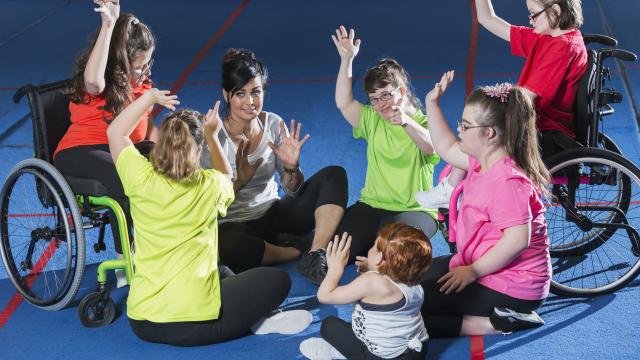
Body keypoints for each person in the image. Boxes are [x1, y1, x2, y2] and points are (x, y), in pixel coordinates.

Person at [108, 88, 310, 346]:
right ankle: (254, 321)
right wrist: (213, 136)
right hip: (196, 323)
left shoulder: (140, 177)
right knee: (277, 280)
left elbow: (115, 132)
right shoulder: (209, 184)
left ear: (161, 144)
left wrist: (148, 99)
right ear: (197, 149)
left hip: (143, 321)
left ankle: (253, 319)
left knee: (223, 271)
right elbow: (227, 176)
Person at [418, 0, 587, 209]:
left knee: (477, 126)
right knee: (477, 119)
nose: (530, 19)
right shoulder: (547, 37)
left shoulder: (562, 48)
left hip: (543, 132)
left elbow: (525, 98)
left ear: (555, 11)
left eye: (533, 13)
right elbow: (488, 20)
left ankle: (452, 189)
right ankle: (452, 188)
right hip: (533, 121)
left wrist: (485, 111)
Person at [420, 71, 551, 337]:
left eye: (465, 126)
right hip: (477, 263)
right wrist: (431, 104)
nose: (460, 130)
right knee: (406, 283)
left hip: (513, 286)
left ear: (489, 133)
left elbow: (517, 240)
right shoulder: (481, 161)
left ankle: (493, 323)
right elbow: (445, 147)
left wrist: (472, 271)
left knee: (406, 310)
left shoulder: (506, 181)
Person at [201, 49, 348, 285]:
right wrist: (239, 183)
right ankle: (295, 250)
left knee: (334, 175)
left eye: (256, 92)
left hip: (272, 212)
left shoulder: (273, 123)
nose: (250, 102)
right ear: (226, 95)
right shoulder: (211, 135)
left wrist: (291, 167)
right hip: (234, 225)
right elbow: (205, 204)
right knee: (225, 245)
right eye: (241, 93)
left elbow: (292, 189)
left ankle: (314, 252)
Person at [54, 1, 158, 267]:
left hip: (122, 150)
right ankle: (127, 260)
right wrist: (109, 24)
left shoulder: (143, 87)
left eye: (148, 64)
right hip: (82, 150)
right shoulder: (100, 82)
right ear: (120, 63)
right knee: (124, 174)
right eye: (139, 67)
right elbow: (93, 81)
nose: (145, 72)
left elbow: (149, 127)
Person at [331, 25, 440, 262]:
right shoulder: (372, 118)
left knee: (399, 257)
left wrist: (405, 123)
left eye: (386, 95)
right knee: (338, 253)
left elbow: (432, 147)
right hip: (372, 205)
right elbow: (343, 103)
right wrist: (346, 59)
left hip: (415, 210)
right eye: (374, 99)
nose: (380, 104)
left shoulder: (424, 122)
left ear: (401, 92)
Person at [300, 223, 431, 360]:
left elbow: (324, 296)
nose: (371, 249)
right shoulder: (413, 277)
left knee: (328, 325)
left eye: (374, 246)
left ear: (379, 258)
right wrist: (374, 268)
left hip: (385, 357)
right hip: (419, 350)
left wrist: (335, 268)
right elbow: (387, 286)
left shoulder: (370, 282)